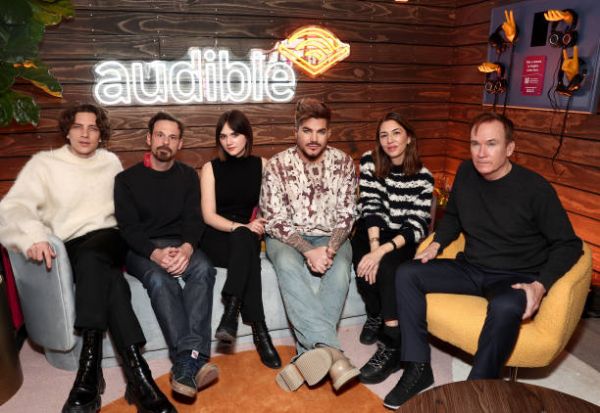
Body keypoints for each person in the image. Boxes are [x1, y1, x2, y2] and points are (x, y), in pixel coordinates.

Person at [384, 112, 583, 410]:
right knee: (407, 273)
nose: (481, 152)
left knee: (505, 306)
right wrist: (436, 244)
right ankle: (417, 367)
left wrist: (540, 286)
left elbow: (569, 245)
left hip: (514, 276)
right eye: (475, 143)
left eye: (491, 144)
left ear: (510, 148)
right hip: (470, 267)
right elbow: (453, 216)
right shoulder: (466, 172)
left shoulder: (535, 189)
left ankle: (477, 391)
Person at [0, 104, 174, 413]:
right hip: (74, 247)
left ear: (100, 134)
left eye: (93, 128)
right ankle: (139, 376)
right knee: (112, 283)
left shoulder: (109, 162)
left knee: (96, 254)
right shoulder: (44, 164)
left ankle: (88, 370)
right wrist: (33, 235)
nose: (85, 133)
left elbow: (126, 210)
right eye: (78, 126)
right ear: (67, 130)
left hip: (112, 238)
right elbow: (12, 208)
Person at [114, 112, 218, 399]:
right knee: (161, 282)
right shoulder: (126, 180)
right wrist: (155, 254)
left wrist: (186, 248)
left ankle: (187, 360)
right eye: (160, 135)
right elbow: (128, 228)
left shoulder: (187, 176)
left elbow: (194, 220)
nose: (165, 142)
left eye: (172, 137)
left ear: (180, 143)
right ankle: (191, 358)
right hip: (142, 248)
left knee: (203, 269)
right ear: (149, 138)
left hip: (179, 243)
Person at [260, 98, 360, 393]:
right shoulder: (277, 164)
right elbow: (273, 218)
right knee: (288, 265)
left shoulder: (342, 162)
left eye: (321, 131)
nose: (314, 138)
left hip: (332, 237)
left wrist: (329, 249)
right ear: (296, 131)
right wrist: (307, 250)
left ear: (329, 134)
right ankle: (335, 355)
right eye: (307, 130)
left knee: (341, 269)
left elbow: (347, 213)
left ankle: (308, 355)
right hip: (289, 238)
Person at [352, 113, 433, 385]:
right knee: (363, 265)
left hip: (401, 236)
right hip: (372, 229)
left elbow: (417, 226)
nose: (390, 140)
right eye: (384, 135)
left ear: (408, 137)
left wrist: (381, 252)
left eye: (396, 133)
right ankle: (374, 313)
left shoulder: (424, 179)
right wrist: (373, 248)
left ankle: (392, 342)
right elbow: (371, 205)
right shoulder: (369, 161)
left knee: (387, 268)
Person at [199, 110, 281, 369]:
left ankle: (232, 312)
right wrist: (241, 226)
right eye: (223, 136)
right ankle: (259, 329)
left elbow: (273, 207)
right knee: (247, 245)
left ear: (247, 135)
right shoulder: (210, 168)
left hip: (244, 236)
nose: (228, 141)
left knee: (246, 245)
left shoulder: (263, 165)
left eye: (234, 134)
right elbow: (208, 216)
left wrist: (256, 224)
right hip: (216, 234)